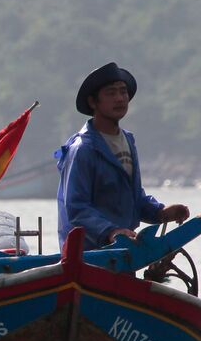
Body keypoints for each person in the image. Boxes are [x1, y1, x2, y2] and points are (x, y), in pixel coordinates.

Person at [55, 63, 190, 248]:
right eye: (111, 93)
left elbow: (133, 197)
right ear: (93, 102)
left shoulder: (128, 140)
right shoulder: (83, 149)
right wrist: (111, 231)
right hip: (87, 255)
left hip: (123, 250)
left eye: (123, 92)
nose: (119, 98)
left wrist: (161, 212)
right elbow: (77, 208)